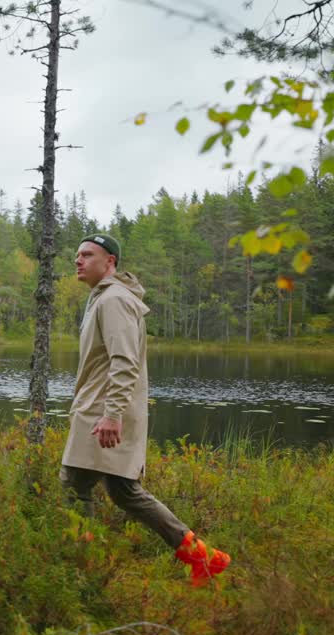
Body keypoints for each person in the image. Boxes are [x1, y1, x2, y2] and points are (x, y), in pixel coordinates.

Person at [61, 232, 230, 587]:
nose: (78, 260)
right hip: (104, 408)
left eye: (87, 255)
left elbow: (125, 362)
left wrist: (112, 413)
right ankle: (203, 557)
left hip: (102, 412)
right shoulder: (105, 298)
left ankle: (81, 570)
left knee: (74, 486)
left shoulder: (114, 301)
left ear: (110, 262)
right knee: (124, 491)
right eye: (77, 255)